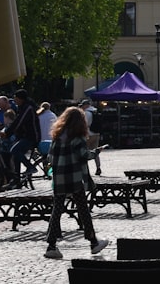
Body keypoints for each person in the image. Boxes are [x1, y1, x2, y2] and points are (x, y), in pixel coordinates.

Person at [44, 106, 109, 259]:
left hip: (59, 179)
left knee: (57, 210)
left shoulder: (57, 137)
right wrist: (97, 152)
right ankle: (93, 242)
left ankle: (51, 245)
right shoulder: (77, 138)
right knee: (83, 210)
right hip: (73, 178)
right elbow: (83, 155)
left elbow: (50, 158)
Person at [3, 89, 40, 186]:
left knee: (14, 150)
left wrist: (7, 133)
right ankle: (17, 180)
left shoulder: (28, 108)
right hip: (24, 136)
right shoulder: (22, 107)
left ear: (21, 99)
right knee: (16, 157)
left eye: (15, 98)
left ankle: (30, 167)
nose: (14, 100)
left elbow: (18, 122)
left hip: (31, 137)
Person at [81, 99, 103, 175]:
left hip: (89, 134)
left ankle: (85, 169)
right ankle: (98, 167)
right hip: (96, 134)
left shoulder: (87, 113)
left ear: (85, 105)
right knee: (96, 151)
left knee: (85, 152)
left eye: (83, 106)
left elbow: (85, 124)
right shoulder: (95, 111)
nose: (82, 107)